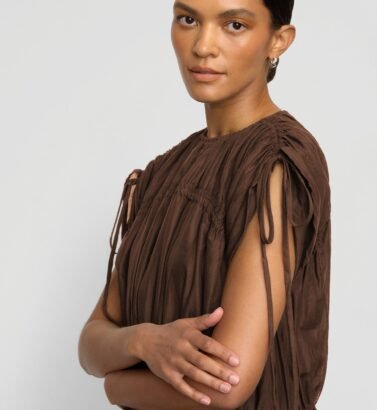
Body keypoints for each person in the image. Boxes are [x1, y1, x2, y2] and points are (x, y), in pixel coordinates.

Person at [78, 1, 332, 409]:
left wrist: (116, 387)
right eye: (188, 19)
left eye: (234, 25)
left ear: (278, 41)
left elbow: (224, 387)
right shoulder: (160, 174)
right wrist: (143, 340)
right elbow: (91, 344)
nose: (202, 46)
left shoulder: (278, 161)